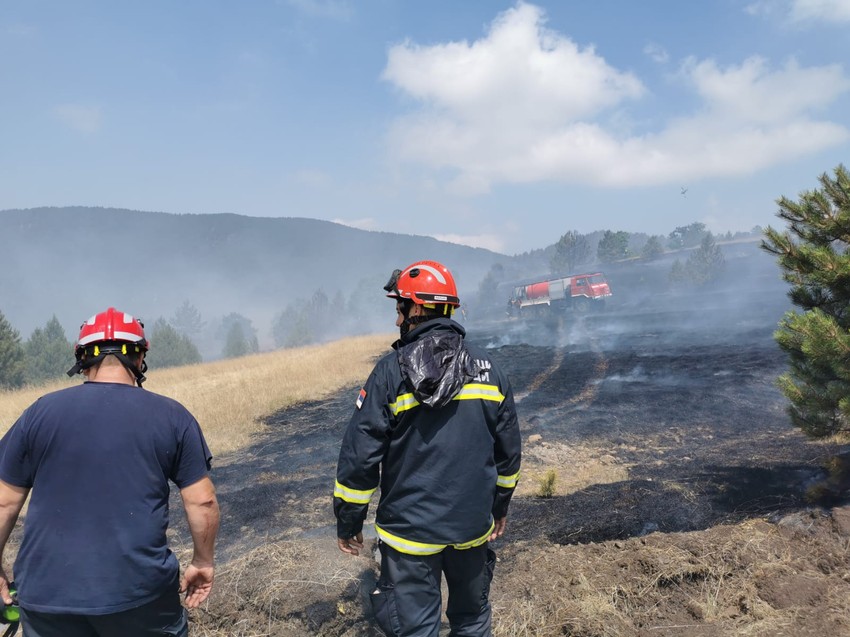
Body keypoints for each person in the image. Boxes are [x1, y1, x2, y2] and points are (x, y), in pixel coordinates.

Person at [0, 307, 220, 637]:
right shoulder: (172, 416)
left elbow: (4, 503)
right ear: (141, 356)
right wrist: (203, 562)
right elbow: (202, 503)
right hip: (138, 595)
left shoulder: (39, 413)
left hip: (47, 596)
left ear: (82, 357)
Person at [334, 261, 522, 636]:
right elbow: (509, 455)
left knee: (416, 627)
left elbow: (360, 456)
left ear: (416, 308)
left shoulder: (390, 373)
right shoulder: (490, 370)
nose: (396, 319)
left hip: (410, 536)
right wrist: (498, 506)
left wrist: (349, 520)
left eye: (398, 307)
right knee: (471, 620)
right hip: (471, 528)